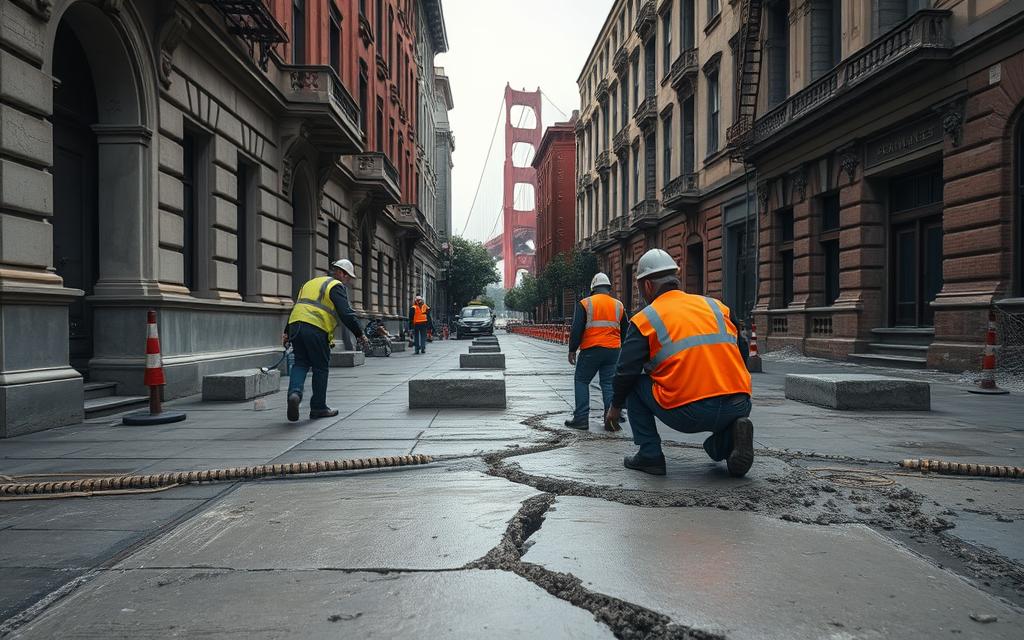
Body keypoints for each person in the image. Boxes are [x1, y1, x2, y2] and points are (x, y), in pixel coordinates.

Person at [605, 248, 754, 478]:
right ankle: (729, 439)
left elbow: (626, 372)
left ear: (647, 286)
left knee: (634, 384)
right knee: (719, 437)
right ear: (676, 279)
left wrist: (615, 408)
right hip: (739, 403)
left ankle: (650, 455)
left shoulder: (645, 319)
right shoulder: (718, 307)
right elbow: (741, 350)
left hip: (690, 411)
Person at [284, 259, 368, 422]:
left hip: (296, 325)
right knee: (320, 367)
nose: (348, 281)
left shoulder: (309, 284)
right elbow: (346, 313)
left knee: (300, 363)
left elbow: (299, 306)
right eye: (348, 277)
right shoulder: (335, 286)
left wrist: (286, 332)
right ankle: (318, 407)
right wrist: (359, 333)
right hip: (316, 327)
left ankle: (294, 393)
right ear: (341, 273)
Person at [565, 272, 628, 430]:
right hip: (613, 350)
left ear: (593, 288)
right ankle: (611, 421)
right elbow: (626, 331)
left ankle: (580, 419)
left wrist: (572, 349)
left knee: (581, 380)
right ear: (608, 288)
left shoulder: (585, 303)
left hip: (591, 349)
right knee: (608, 384)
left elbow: (577, 329)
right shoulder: (618, 305)